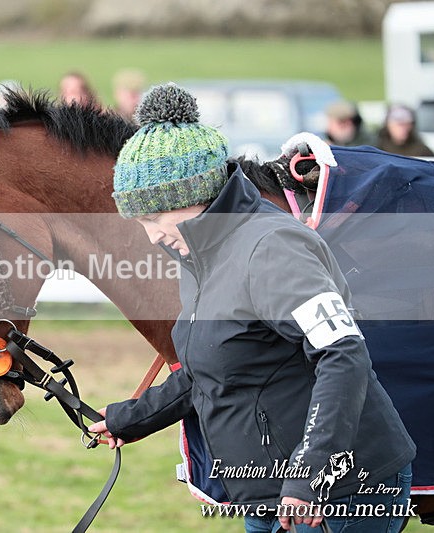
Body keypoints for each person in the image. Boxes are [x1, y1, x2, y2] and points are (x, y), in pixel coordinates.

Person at [88, 83, 415, 532]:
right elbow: (217, 360)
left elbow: (343, 355)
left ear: (192, 198)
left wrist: (312, 472)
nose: (152, 237)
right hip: (269, 492)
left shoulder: (273, 246)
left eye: (153, 219)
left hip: (339, 492)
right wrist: (134, 416)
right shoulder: (197, 254)